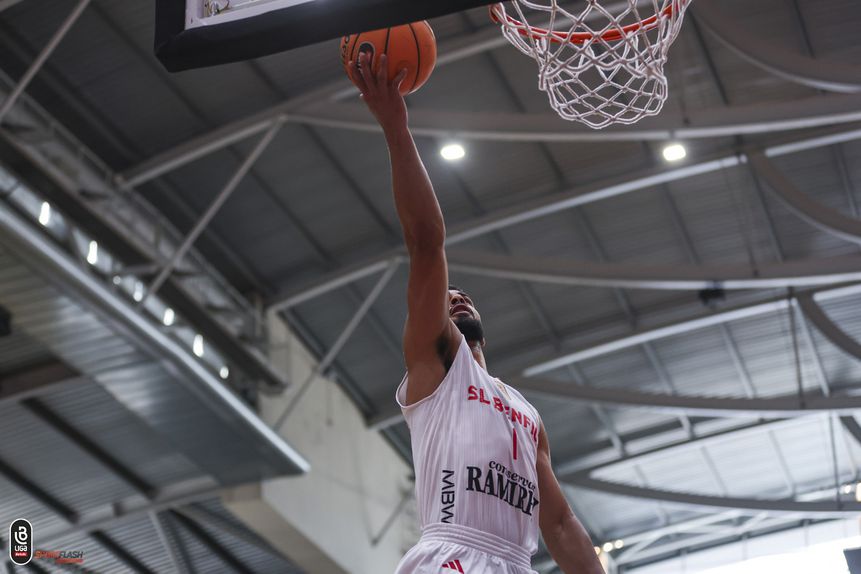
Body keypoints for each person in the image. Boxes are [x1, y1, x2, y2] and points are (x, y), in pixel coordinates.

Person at [350, 51, 605, 574]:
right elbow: (426, 242)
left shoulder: (526, 415)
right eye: (447, 297)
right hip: (453, 555)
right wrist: (396, 126)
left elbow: (558, 525)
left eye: (464, 294)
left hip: (516, 563)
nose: (456, 297)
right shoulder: (438, 366)